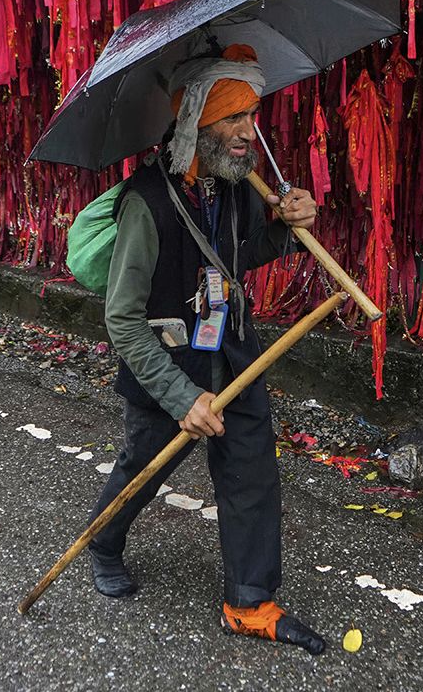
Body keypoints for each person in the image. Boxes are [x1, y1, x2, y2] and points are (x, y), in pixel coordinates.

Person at [86, 43, 328, 655]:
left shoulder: (234, 185)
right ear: (197, 117)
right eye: (236, 118)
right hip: (168, 366)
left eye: (252, 116)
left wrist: (294, 226)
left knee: (251, 473)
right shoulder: (146, 201)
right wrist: (180, 395)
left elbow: (244, 254)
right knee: (147, 466)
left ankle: (250, 602)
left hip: (234, 355)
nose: (252, 133)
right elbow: (122, 319)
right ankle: (104, 540)